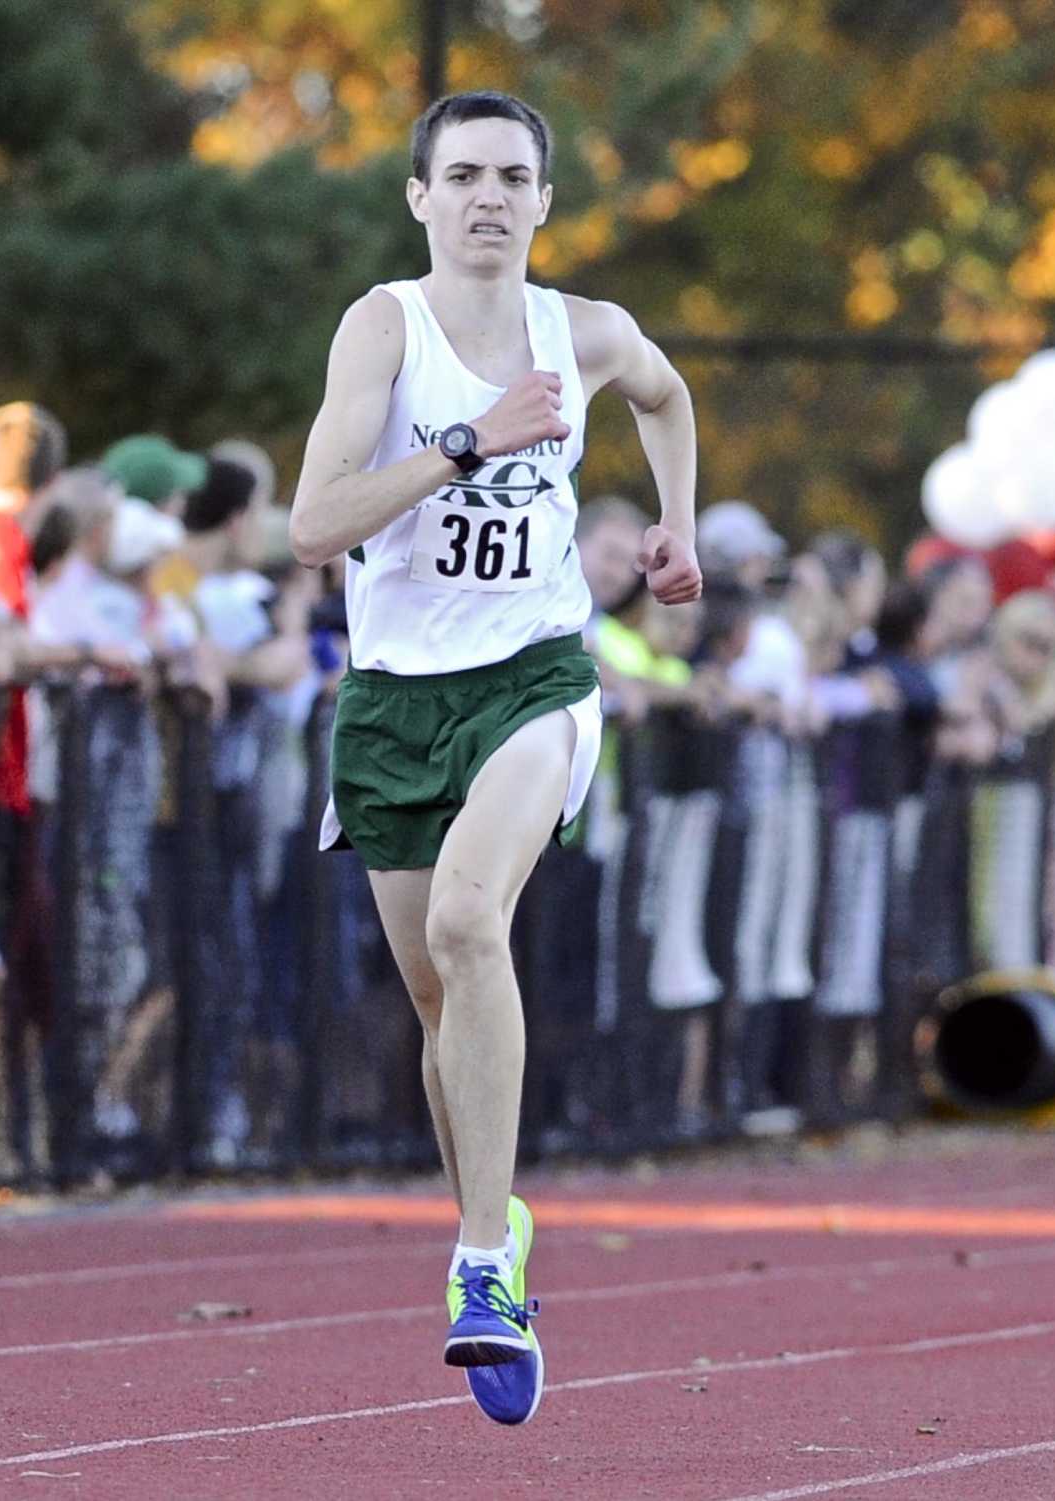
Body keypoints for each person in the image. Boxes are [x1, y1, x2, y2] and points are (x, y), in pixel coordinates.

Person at [289, 88, 700, 1425]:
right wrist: (467, 442)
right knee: (434, 999)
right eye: (459, 173)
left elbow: (668, 391)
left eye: (511, 176)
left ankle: (481, 1271)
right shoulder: (383, 329)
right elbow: (313, 522)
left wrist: (677, 530)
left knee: (475, 921)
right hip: (396, 698)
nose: (485, 197)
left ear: (542, 199)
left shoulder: (582, 333)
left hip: (535, 678)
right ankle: (497, 1216)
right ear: (419, 197)